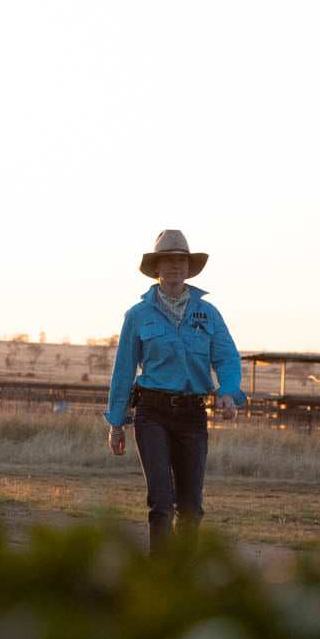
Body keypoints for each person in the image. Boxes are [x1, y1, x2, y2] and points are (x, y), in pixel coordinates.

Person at [103, 230, 247, 552]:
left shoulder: (207, 313)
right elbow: (124, 370)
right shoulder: (138, 315)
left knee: (191, 506)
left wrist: (228, 391)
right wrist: (116, 423)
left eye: (181, 260)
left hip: (192, 414)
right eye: (168, 260)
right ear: (157, 267)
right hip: (152, 412)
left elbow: (226, 356)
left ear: (189, 267)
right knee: (161, 502)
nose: (175, 266)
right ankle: (161, 577)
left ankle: (186, 576)